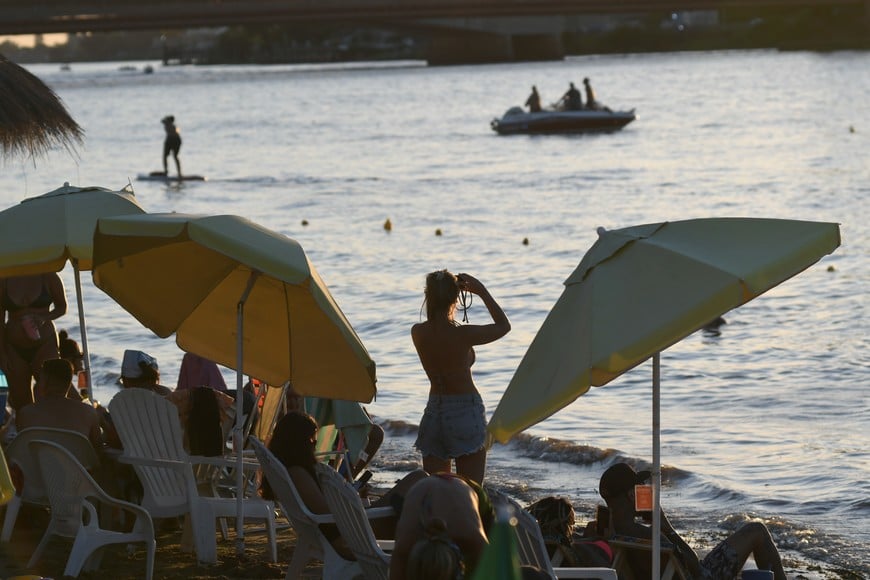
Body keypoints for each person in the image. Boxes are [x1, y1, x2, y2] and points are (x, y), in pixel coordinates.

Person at [261, 411, 427, 557]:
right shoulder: (298, 474)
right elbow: (329, 514)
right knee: (418, 482)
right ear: (296, 441)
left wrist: (350, 495)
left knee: (417, 484)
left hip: (351, 526)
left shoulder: (290, 471)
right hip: (352, 535)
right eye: (311, 439)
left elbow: (325, 510)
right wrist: (349, 499)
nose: (314, 444)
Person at [599, 463, 787, 580]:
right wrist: (665, 527)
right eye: (640, 489)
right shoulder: (651, 537)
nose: (644, 491)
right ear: (632, 495)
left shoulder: (610, 530)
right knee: (756, 530)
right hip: (703, 576)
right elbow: (695, 567)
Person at [411, 270, 510, 485]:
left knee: (437, 491)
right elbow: (504, 326)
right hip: (465, 411)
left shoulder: (418, 332)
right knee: (472, 492)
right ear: (456, 298)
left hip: (434, 412)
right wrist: (481, 291)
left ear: (428, 297)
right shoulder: (463, 334)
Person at [389, 473, 494, 580]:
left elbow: (493, 570)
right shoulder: (403, 548)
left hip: (466, 489)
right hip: (428, 485)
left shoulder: (470, 536)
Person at [0, 274, 67, 411]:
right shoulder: (4, 279)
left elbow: (62, 307)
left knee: (52, 395)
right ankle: (28, 431)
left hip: (45, 344)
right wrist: (2, 354)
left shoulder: (48, 276)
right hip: (14, 347)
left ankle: (53, 428)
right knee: (21, 402)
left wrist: (44, 317)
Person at [15, 358, 102, 449]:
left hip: (40, 462)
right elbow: (98, 450)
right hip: (76, 463)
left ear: (45, 381)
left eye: (40, 379)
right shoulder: (88, 412)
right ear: (69, 382)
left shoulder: (26, 413)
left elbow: (22, 450)